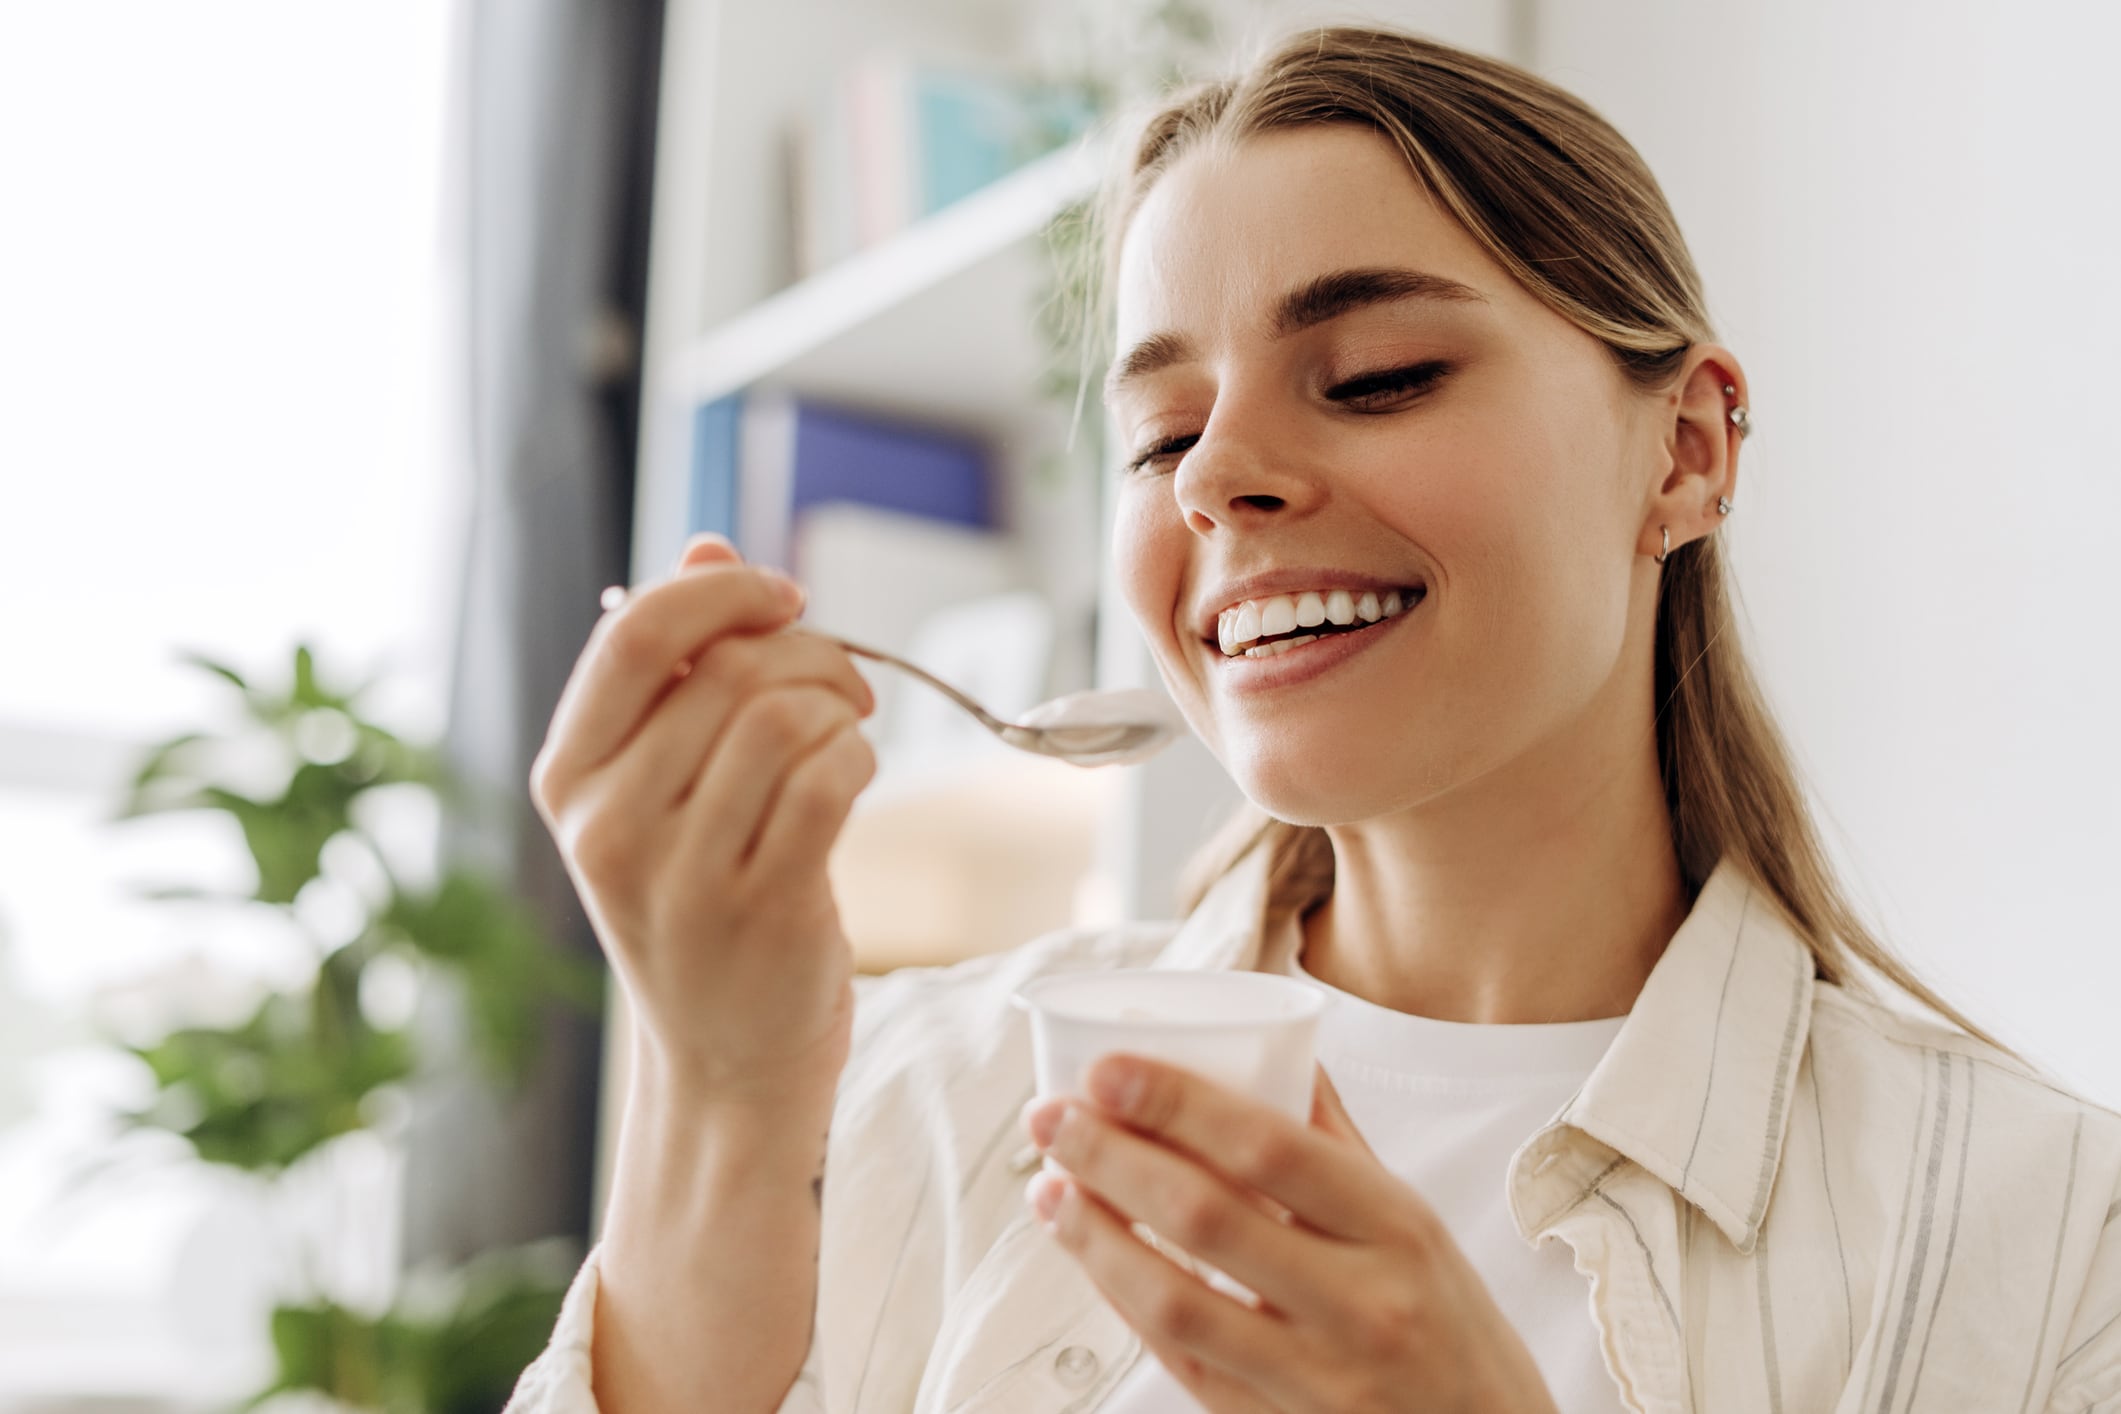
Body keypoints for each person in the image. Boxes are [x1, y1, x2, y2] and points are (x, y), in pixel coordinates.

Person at [506, 22, 2121, 1414]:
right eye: (1158, 434)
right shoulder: (921, 1094)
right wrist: (716, 1089)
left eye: (1376, 376)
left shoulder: (2049, 1238)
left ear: (1685, 452)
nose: (1216, 476)